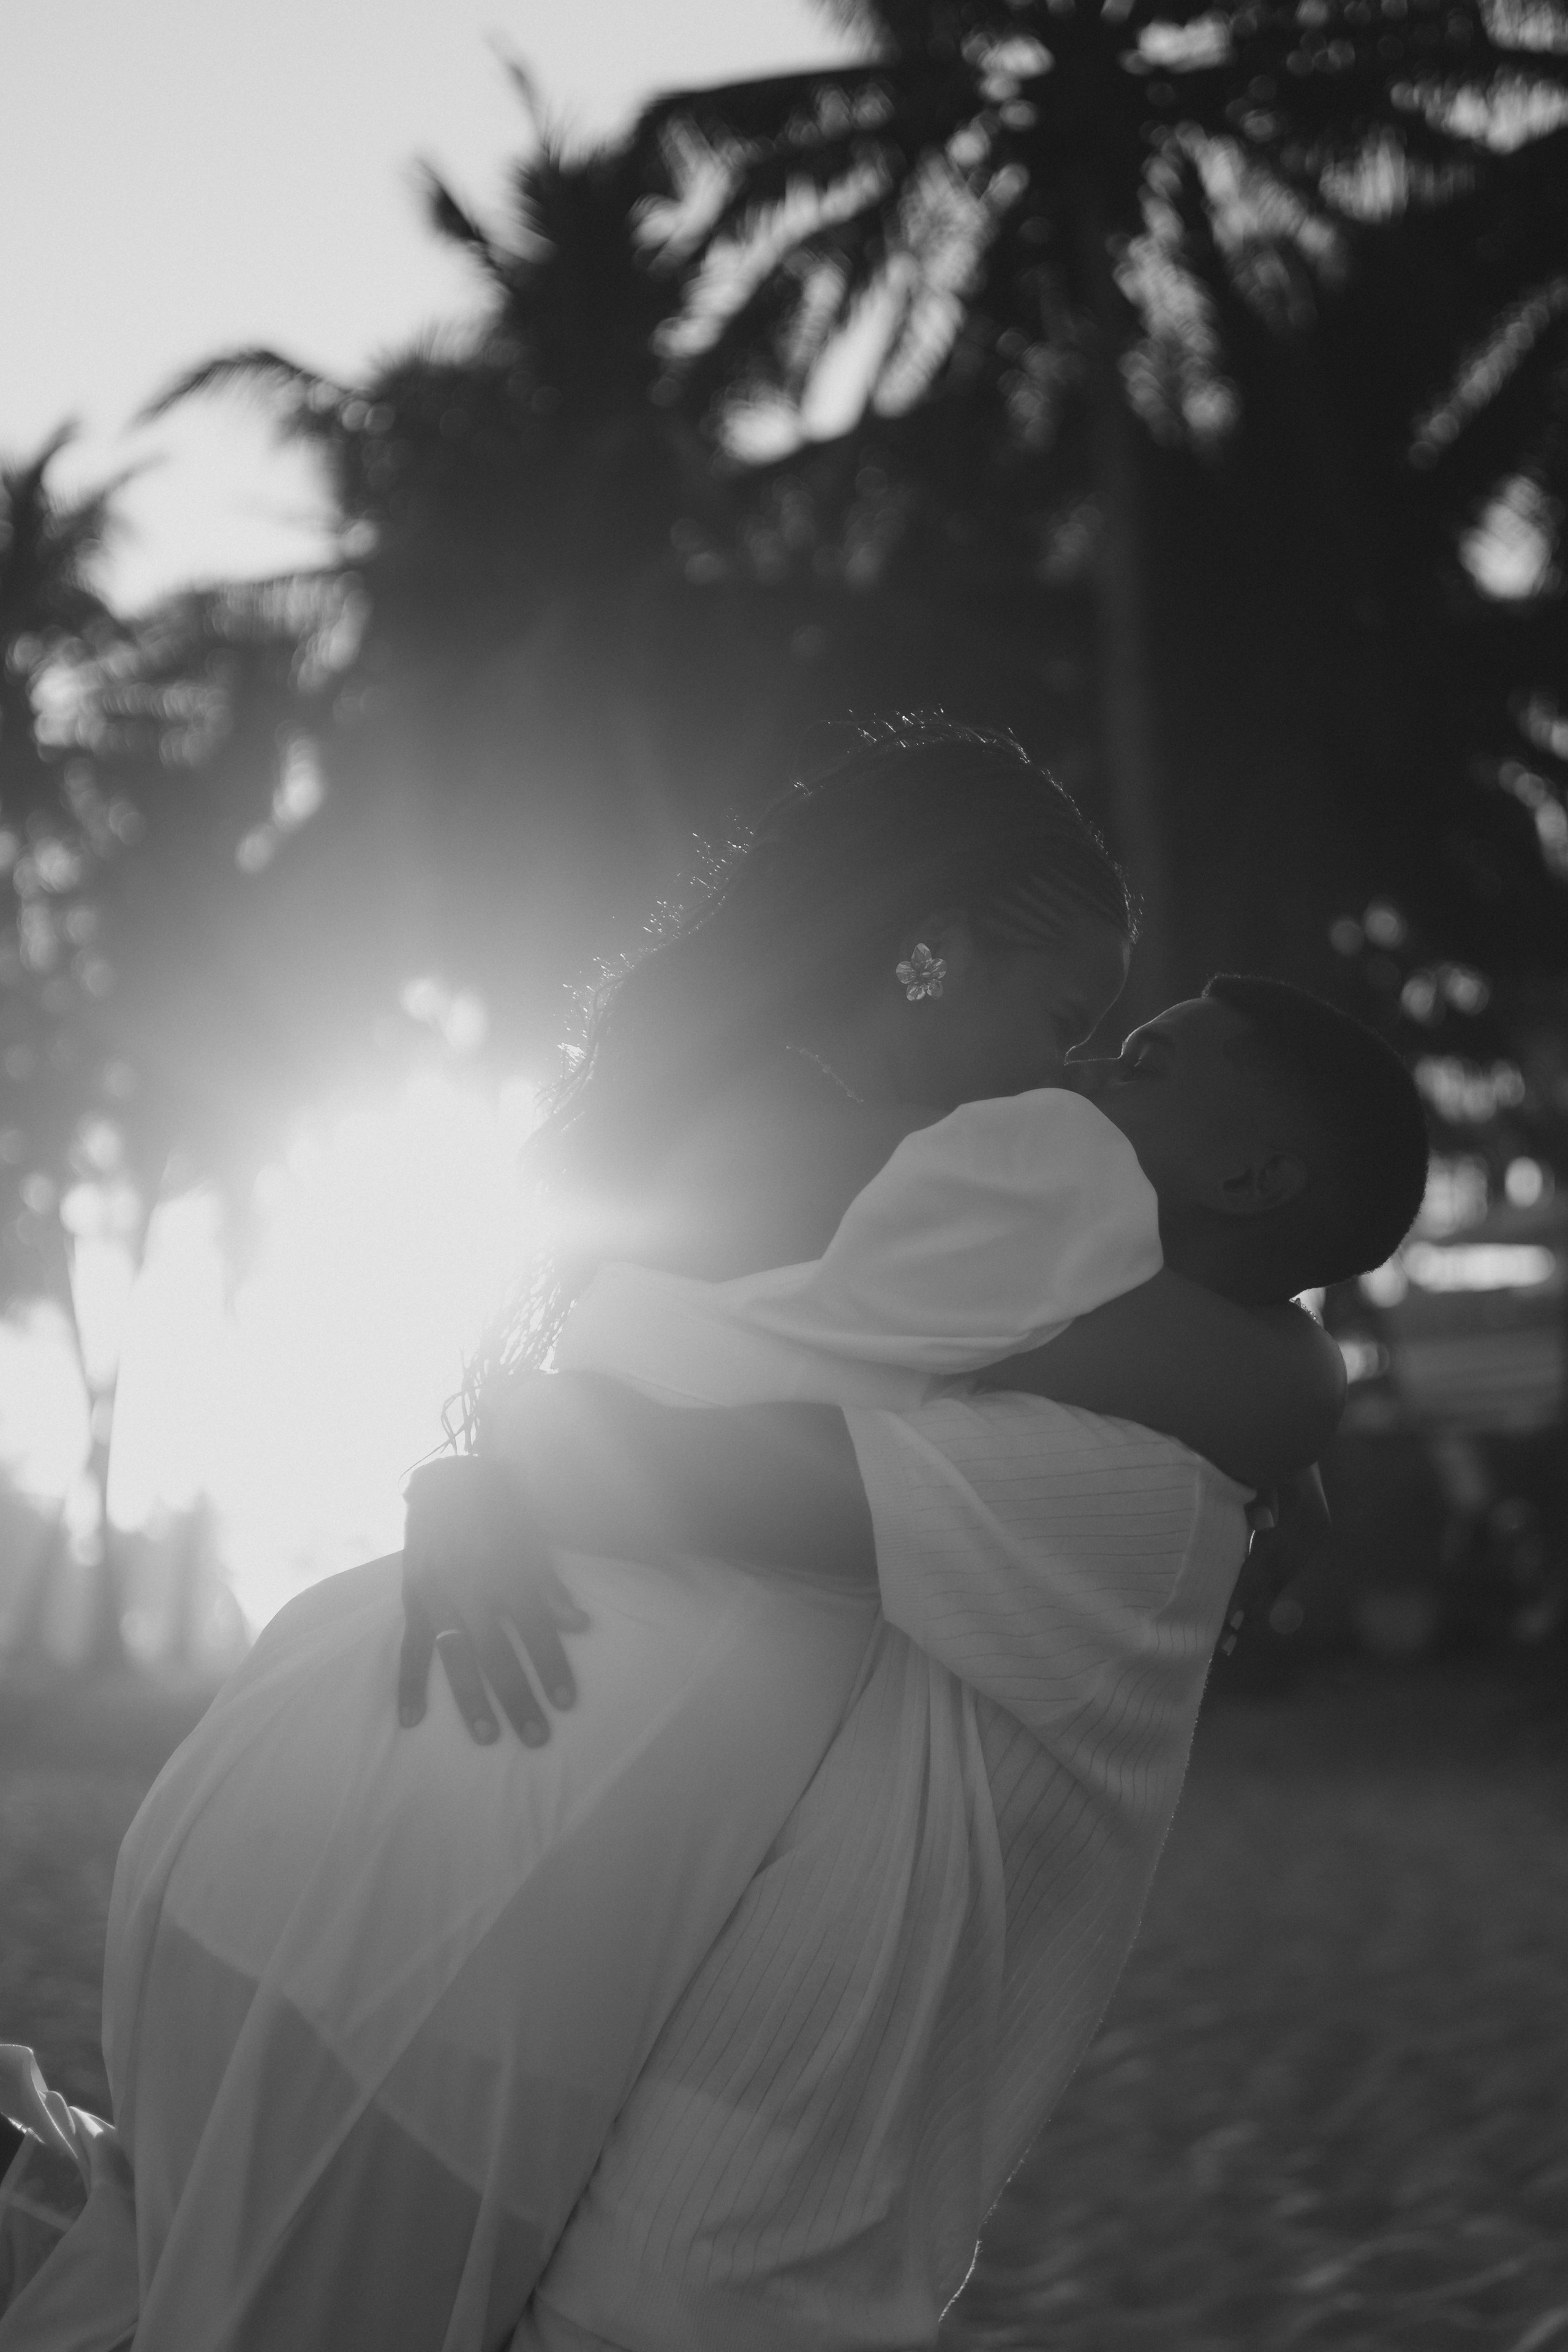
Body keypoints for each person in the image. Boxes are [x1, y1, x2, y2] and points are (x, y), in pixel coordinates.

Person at [0, 727, 1403, 2350]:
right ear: (927, 949)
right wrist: (1294, 1407)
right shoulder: (916, 1185)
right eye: (1068, 1022)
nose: (1074, 1078)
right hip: (455, 1897)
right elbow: (1255, 1372)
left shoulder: (829, 1157)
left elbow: (614, 1423)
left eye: (1108, 1044)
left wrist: (487, 1473)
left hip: (424, 1836)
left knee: (198, 2288)